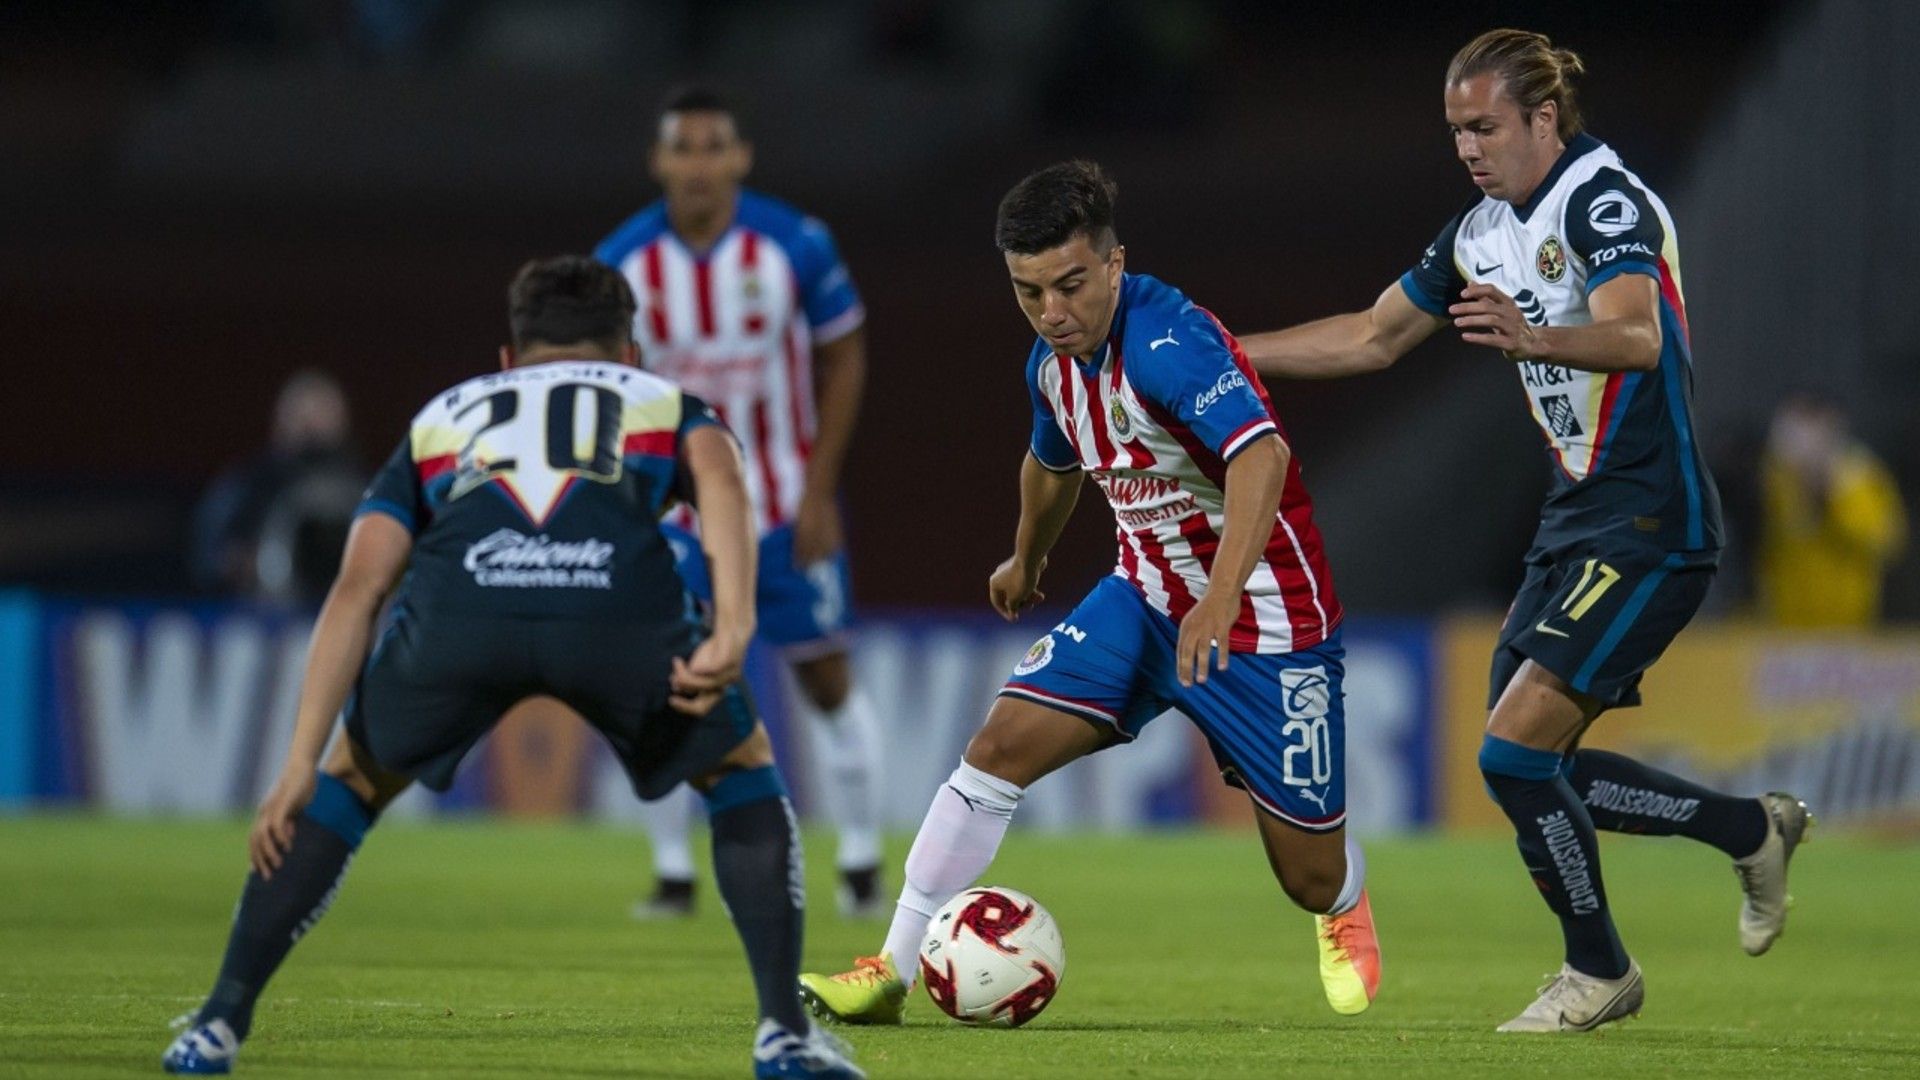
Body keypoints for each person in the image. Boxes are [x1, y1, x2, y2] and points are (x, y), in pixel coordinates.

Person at [1236, 29, 1811, 1032]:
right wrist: (1228, 355)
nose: (1467, 147)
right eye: (1456, 129)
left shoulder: (1604, 200)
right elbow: (1374, 337)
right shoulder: (1478, 233)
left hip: (1651, 517)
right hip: (1575, 521)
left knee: (1511, 757)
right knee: (1530, 763)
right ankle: (1746, 827)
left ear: (1544, 118)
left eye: (1485, 126)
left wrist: (1533, 333)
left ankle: (1600, 972)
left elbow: (1639, 334)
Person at [162, 257, 861, 1079]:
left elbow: (360, 586)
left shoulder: (442, 417)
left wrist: (295, 767)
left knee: (347, 785)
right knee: (741, 775)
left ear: (508, 357)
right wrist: (733, 626)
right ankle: (782, 1032)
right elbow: (722, 482)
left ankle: (216, 1025)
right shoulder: (663, 403)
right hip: (614, 609)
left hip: (462, 615)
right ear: (627, 352)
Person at [797, 161, 1381, 1027]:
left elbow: (1264, 457)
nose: (1052, 313)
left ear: (1114, 263)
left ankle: (1345, 902)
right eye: (1029, 293)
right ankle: (891, 969)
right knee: (996, 749)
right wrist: (1025, 558)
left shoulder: (1169, 343)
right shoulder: (1052, 363)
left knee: (1309, 876)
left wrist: (1220, 598)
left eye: (1070, 285)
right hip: (1141, 600)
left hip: (1263, 616)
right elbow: (1051, 464)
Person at [596, 86, 885, 919]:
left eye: (711, 147)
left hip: (787, 503)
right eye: (681, 148)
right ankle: (672, 873)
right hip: (674, 513)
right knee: (668, 678)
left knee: (826, 676)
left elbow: (847, 359)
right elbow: (608, 389)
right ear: (659, 162)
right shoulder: (621, 261)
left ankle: (862, 865)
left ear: (739, 157)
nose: (697, 164)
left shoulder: (794, 243)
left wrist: (824, 489)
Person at [191, 369, 365, 606]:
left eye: (322, 414)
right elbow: (212, 557)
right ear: (280, 421)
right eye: (302, 416)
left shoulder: (367, 489)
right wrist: (254, 564)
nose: (312, 427)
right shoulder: (248, 486)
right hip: (266, 620)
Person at [1757, 392, 1907, 627]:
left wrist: (1836, 494)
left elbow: (1885, 541)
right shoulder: (1774, 479)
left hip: (1848, 623)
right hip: (1782, 624)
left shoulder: (1862, 477)